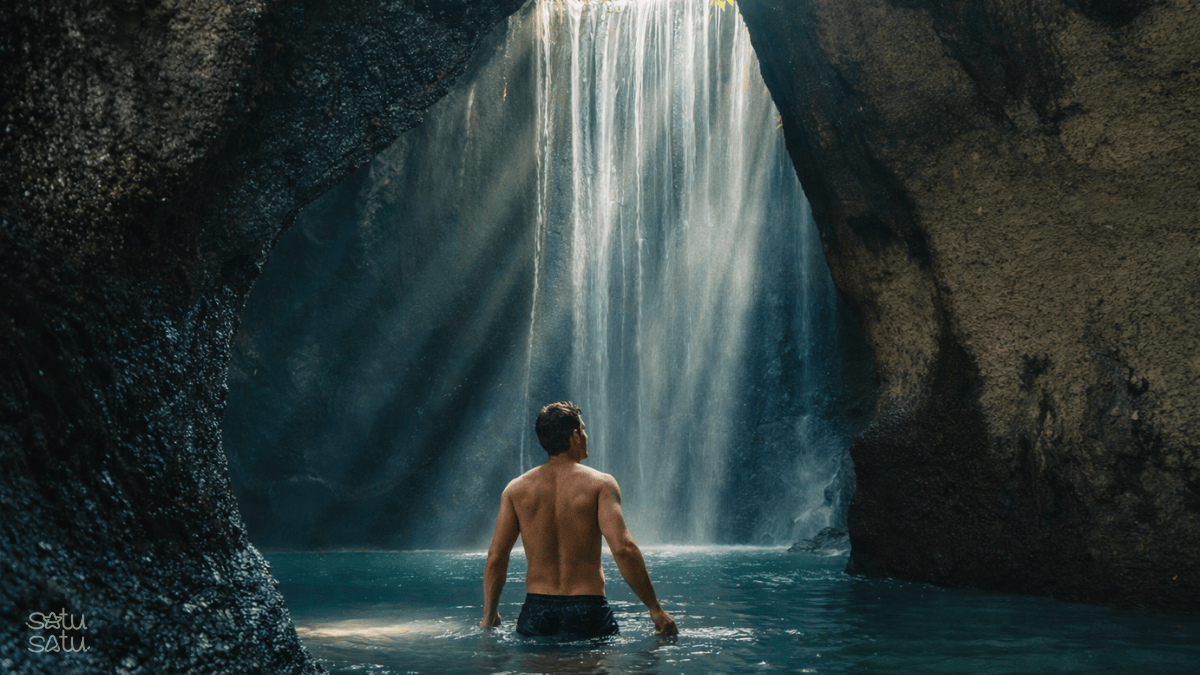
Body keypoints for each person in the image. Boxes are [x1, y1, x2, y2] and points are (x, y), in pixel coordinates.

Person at [481, 401, 678, 639]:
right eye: (583, 430)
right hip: (587, 608)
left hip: (536, 611)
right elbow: (623, 549)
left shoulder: (515, 489)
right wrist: (654, 609)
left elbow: (496, 557)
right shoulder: (600, 484)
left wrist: (489, 615)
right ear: (574, 435)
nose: (585, 435)